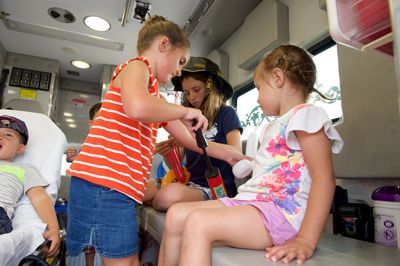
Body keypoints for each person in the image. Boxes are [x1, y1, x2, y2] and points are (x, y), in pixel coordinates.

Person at [66, 15, 246, 266]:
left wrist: (230, 154)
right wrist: (184, 111)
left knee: (127, 261)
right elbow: (137, 107)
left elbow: (193, 142)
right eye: (181, 61)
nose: (179, 71)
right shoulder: (137, 67)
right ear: (163, 45)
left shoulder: (156, 101)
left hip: (118, 188)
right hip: (103, 185)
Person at [158, 44, 344, 266]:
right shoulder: (273, 126)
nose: (257, 99)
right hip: (252, 202)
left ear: (277, 78)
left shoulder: (308, 116)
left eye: (258, 88)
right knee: (176, 214)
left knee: (198, 222)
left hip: (281, 213)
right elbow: (273, 167)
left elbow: (324, 179)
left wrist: (305, 240)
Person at [151, 57, 242, 211]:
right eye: (186, 92)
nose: (191, 97)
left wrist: (189, 142)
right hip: (190, 185)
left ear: (210, 87)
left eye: (196, 90)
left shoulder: (227, 114)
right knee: (150, 191)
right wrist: (169, 154)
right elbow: (175, 165)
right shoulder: (188, 120)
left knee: (167, 197)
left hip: (216, 189)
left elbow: (236, 153)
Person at [0, 115, 60, 257]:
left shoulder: (23, 169)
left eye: (8, 135)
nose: (0, 137)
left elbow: (39, 198)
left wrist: (53, 228)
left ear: (20, 148)